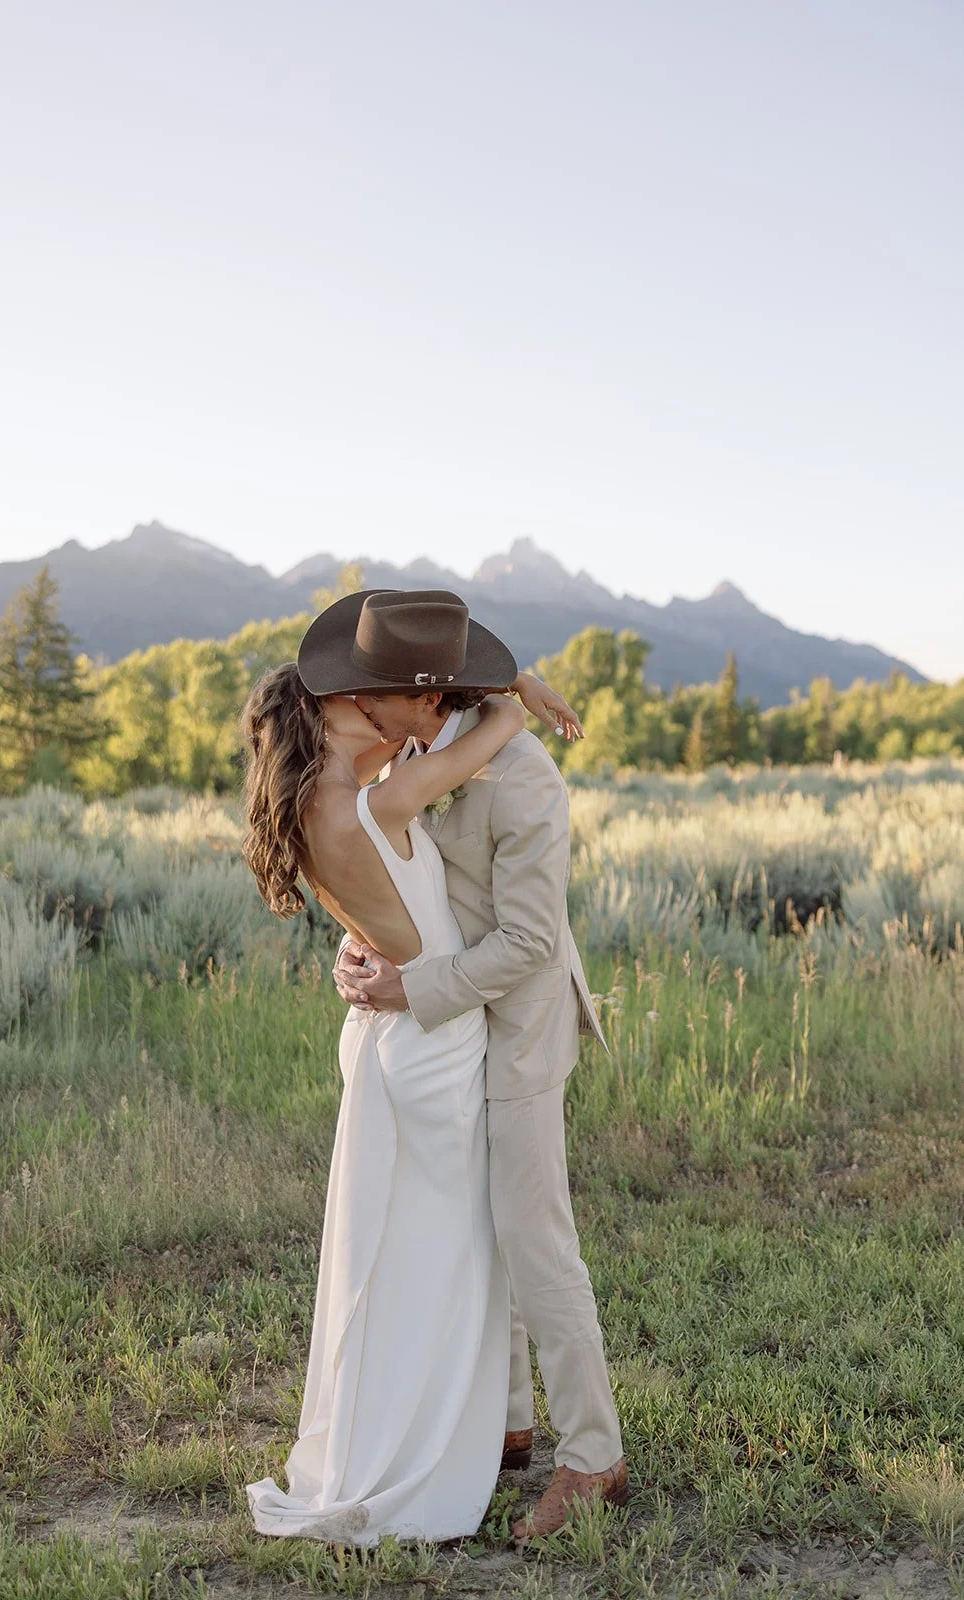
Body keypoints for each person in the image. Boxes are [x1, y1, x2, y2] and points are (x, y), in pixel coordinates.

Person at [240, 589, 578, 1545]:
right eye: (375, 709)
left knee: (389, 1256)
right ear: (346, 717)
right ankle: (430, 1450)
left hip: (387, 1039)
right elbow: (496, 724)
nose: (396, 722)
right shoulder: (380, 797)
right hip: (433, 1043)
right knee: (445, 1258)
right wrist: (518, 685)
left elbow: (383, 910)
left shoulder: (321, 798)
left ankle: (419, 1430)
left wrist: (360, 948)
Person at [329, 591, 628, 1541]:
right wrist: (360, 954)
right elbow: (403, 887)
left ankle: (593, 1458)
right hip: (448, 1020)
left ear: (426, 700)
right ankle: (504, 1425)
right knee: (473, 1222)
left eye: (377, 696)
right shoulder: (414, 748)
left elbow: (532, 945)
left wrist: (411, 994)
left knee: (532, 1237)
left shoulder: (526, 779)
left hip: (519, 1025)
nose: (363, 710)